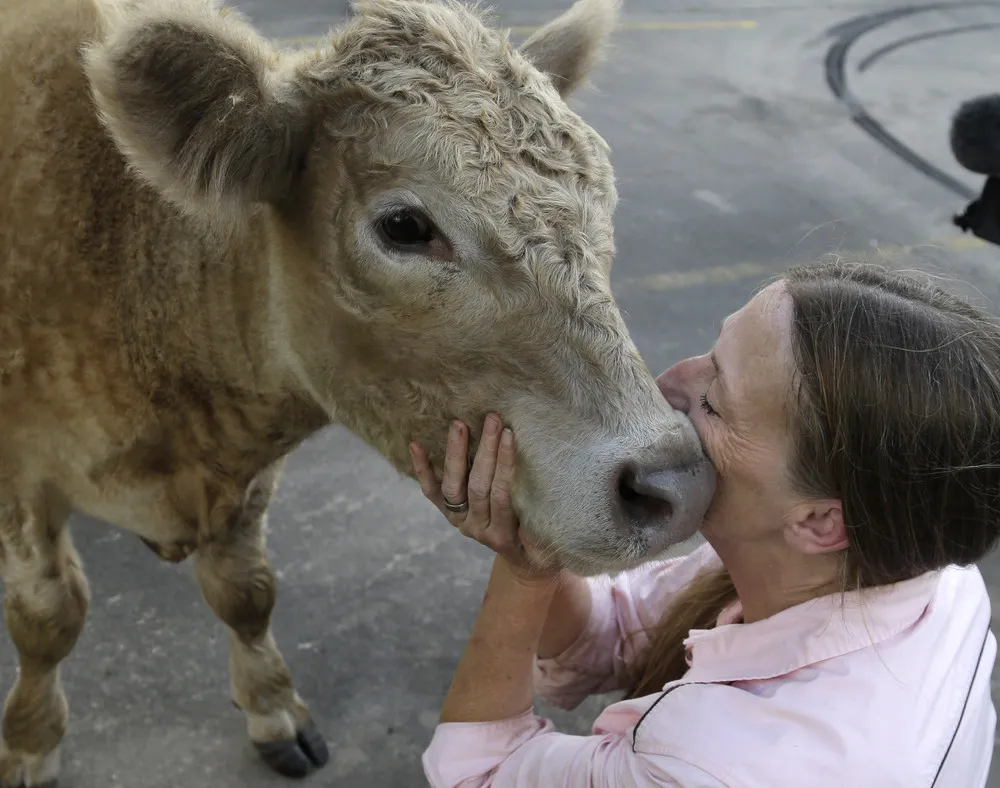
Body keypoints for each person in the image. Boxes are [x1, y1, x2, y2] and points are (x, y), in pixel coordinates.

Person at [408, 261, 1000, 787]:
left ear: (820, 520)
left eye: (715, 401)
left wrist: (525, 571)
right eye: (711, 355)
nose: (664, 384)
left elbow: (478, 775)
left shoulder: (717, 767)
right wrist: (535, 536)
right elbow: (614, 630)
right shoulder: (920, 565)